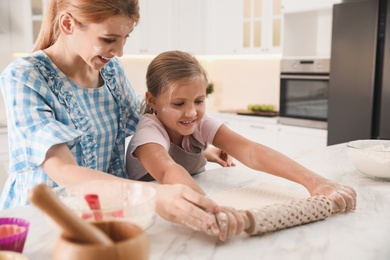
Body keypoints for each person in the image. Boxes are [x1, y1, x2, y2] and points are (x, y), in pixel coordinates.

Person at [0, 0, 228, 236]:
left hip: (106, 212)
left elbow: (149, 123)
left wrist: (190, 148)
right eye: (109, 39)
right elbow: (63, 169)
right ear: (68, 23)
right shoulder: (25, 76)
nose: (119, 52)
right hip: (44, 222)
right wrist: (152, 195)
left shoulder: (111, 70)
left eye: (125, 37)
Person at [126, 50, 358, 240]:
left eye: (199, 101)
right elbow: (168, 170)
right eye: (178, 103)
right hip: (150, 225)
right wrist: (213, 209)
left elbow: (251, 150)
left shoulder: (198, 122)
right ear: (152, 100)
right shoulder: (148, 130)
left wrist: (315, 182)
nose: (191, 112)